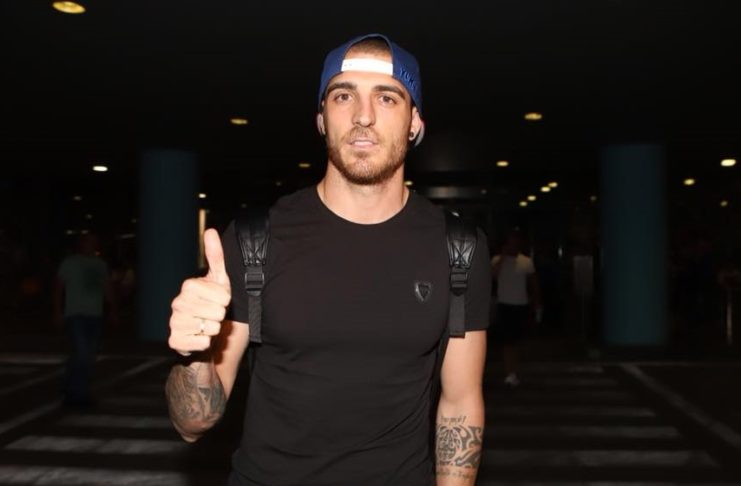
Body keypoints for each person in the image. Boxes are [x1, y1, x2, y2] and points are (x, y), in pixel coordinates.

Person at [165, 34, 491, 485]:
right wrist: (195, 353)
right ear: (321, 119)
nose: (363, 115)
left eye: (387, 98)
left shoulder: (459, 248)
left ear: (414, 122)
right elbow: (192, 424)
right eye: (343, 96)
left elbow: (460, 403)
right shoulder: (256, 239)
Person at [53, 233, 116, 407]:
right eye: (89, 242)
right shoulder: (70, 263)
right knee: (82, 352)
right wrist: (57, 311)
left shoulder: (100, 264)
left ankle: (74, 388)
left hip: (95, 314)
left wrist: (112, 310)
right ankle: (77, 393)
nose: (92, 245)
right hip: (75, 314)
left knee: (87, 354)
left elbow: (107, 288)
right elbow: (58, 288)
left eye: (94, 242)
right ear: (81, 244)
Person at [490, 229, 542, 388]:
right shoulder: (497, 260)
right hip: (504, 304)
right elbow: (492, 276)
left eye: (515, 242)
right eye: (510, 242)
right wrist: (503, 257)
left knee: (517, 341)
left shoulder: (526, 261)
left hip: (521, 304)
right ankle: (509, 373)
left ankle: (515, 370)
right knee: (507, 341)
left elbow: (533, 284)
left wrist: (537, 303)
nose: (513, 245)